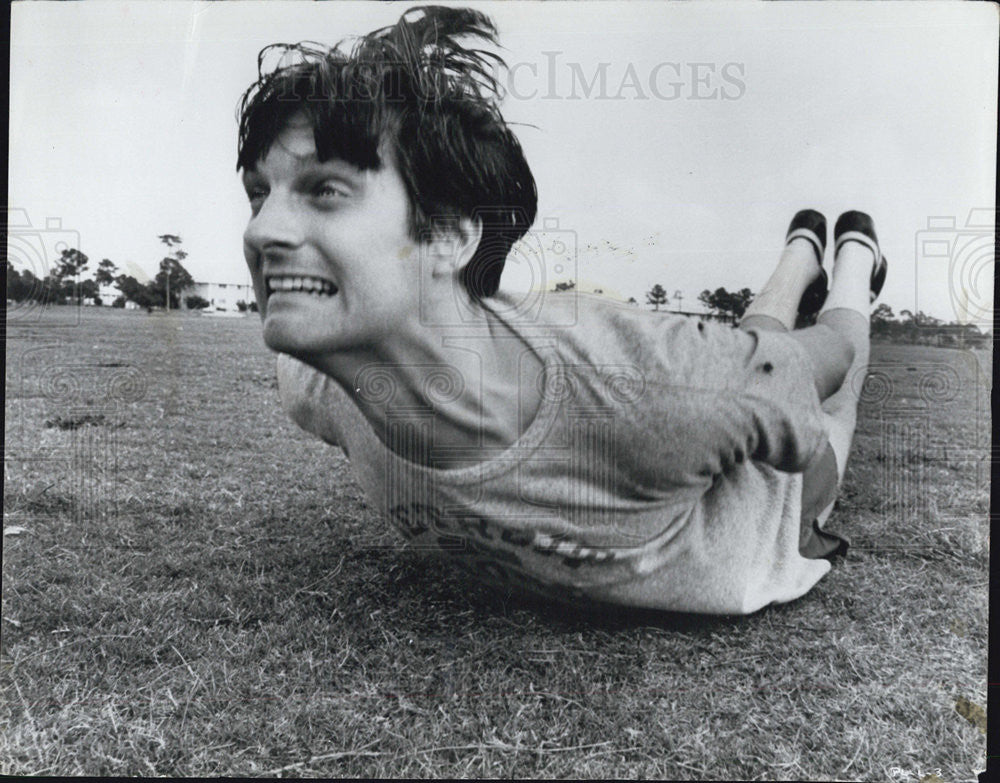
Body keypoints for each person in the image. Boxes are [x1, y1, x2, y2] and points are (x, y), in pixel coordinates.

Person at [236, 6, 887, 615]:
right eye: (259, 194)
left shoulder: (637, 388)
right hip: (719, 396)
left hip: (766, 497)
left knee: (831, 392)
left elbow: (802, 371)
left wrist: (810, 397)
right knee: (748, 365)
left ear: (450, 236)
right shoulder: (314, 383)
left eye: (324, 190)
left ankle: (854, 255)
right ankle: (801, 250)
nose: (263, 231)